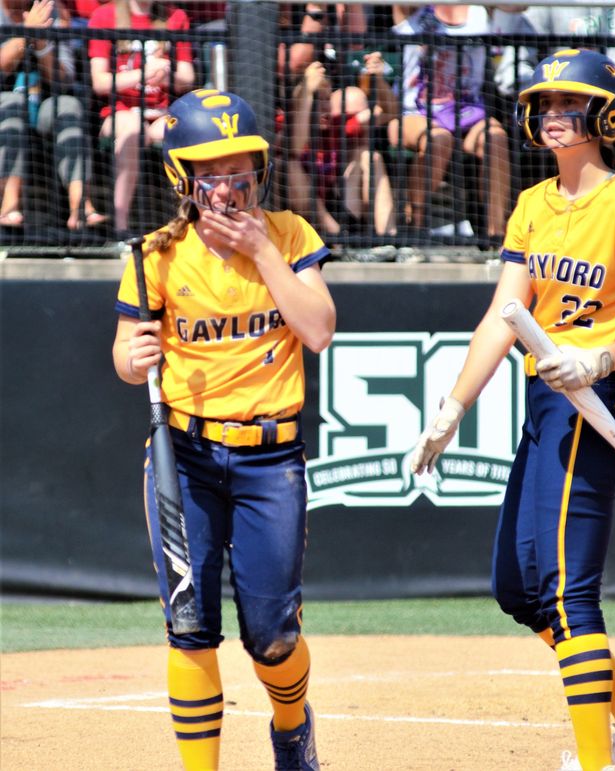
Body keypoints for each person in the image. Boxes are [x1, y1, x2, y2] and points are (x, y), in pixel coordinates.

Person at [409, 49, 615, 771]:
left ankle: (600, 762)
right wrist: (453, 404)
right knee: (519, 589)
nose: (553, 115)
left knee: (569, 594)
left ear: (606, 115)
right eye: (547, 103)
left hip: (597, 406)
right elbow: (502, 316)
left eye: (571, 103)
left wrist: (602, 357)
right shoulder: (534, 204)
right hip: (547, 407)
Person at [111, 89, 335, 771]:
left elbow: (319, 330)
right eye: (214, 174)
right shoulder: (156, 255)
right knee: (189, 626)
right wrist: (133, 358)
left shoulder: (291, 235)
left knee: (270, 633)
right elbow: (125, 352)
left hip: (270, 458)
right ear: (183, 178)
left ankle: (293, 728)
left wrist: (264, 252)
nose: (231, 188)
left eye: (242, 171)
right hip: (185, 454)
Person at [389, 4, 510, 241]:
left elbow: (518, 6)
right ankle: (414, 229)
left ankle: (497, 237)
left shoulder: (479, 10)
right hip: (416, 112)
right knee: (438, 139)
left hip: (467, 111)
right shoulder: (413, 12)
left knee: (495, 138)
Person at [88, 0, 194, 237]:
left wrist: (164, 73)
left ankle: (187, 222)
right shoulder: (105, 16)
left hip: (160, 114)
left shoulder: (175, 16)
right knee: (134, 129)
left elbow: (187, 77)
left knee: (185, 132)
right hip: (118, 114)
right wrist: (143, 73)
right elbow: (100, 82)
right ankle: (121, 227)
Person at [0, 0, 106, 229]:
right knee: (12, 102)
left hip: (46, 105)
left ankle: (81, 208)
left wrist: (40, 44)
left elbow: (63, 77)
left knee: (68, 106)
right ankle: (9, 206)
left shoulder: (51, 12)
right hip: (6, 106)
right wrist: (25, 33)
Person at [288, 54, 397, 240]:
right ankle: (337, 235)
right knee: (289, 165)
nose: (325, 108)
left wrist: (376, 79)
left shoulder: (337, 124)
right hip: (301, 219)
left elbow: (389, 112)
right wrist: (307, 92)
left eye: (326, 100)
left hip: (339, 207)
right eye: (317, 99)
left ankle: (387, 239)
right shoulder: (286, 124)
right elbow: (295, 149)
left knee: (369, 156)